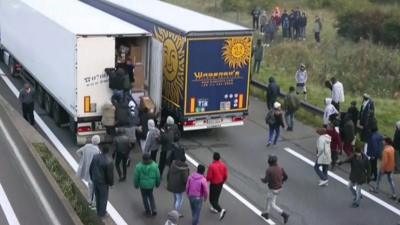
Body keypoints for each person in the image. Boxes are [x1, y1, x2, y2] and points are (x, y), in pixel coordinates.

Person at [260, 155, 289, 224]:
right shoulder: (280, 168)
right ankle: (266, 213)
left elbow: (266, 180)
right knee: (268, 199)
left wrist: (261, 179)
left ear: (269, 162)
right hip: (279, 188)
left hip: (273, 189)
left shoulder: (269, 170)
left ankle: (284, 215)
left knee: (272, 204)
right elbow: (286, 177)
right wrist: (281, 181)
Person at [76, 135, 101, 209]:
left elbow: (78, 152)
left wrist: (83, 159)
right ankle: (94, 203)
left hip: (87, 169)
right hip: (94, 171)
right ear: (98, 142)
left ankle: (89, 201)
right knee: (96, 188)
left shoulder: (87, 146)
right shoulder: (97, 151)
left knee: (90, 187)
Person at [89, 145, 114, 217]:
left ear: (101, 150)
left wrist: (91, 177)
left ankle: (98, 210)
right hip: (103, 182)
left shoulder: (95, 157)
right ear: (108, 151)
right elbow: (109, 175)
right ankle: (102, 213)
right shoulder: (109, 161)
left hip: (95, 180)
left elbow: (91, 168)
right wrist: (111, 184)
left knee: (97, 196)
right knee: (103, 198)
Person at [206, 152, 228, 220]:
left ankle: (220, 210)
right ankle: (215, 208)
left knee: (212, 199)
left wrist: (204, 180)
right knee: (217, 197)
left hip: (214, 184)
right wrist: (223, 182)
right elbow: (225, 175)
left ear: (213, 158)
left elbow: (209, 177)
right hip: (220, 183)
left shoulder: (212, 166)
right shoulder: (223, 165)